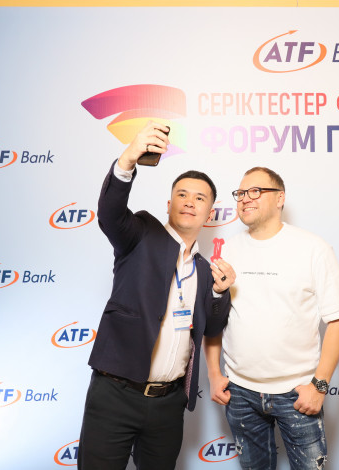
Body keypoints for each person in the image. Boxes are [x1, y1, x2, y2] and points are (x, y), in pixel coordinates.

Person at [78, 121, 235, 470]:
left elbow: (212, 329)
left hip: (168, 404)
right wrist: (128, 159)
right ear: (169, 203)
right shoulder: (140, 233)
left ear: (210, 213)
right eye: (182, 195)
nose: (190, 202)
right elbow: (110, 214)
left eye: (200, 198)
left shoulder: (205, 270)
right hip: (115, 396)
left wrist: (220, 293)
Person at [204, 167, 339, 470]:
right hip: (240, 393)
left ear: (280, 198)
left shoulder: (313, 248)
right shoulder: (226, 250)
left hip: (296, 392)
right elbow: (214, 317)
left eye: (256, 191)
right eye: (240, 193)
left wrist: (319, 386)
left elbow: (338, 320)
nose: (245, 198)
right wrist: (214, 373)